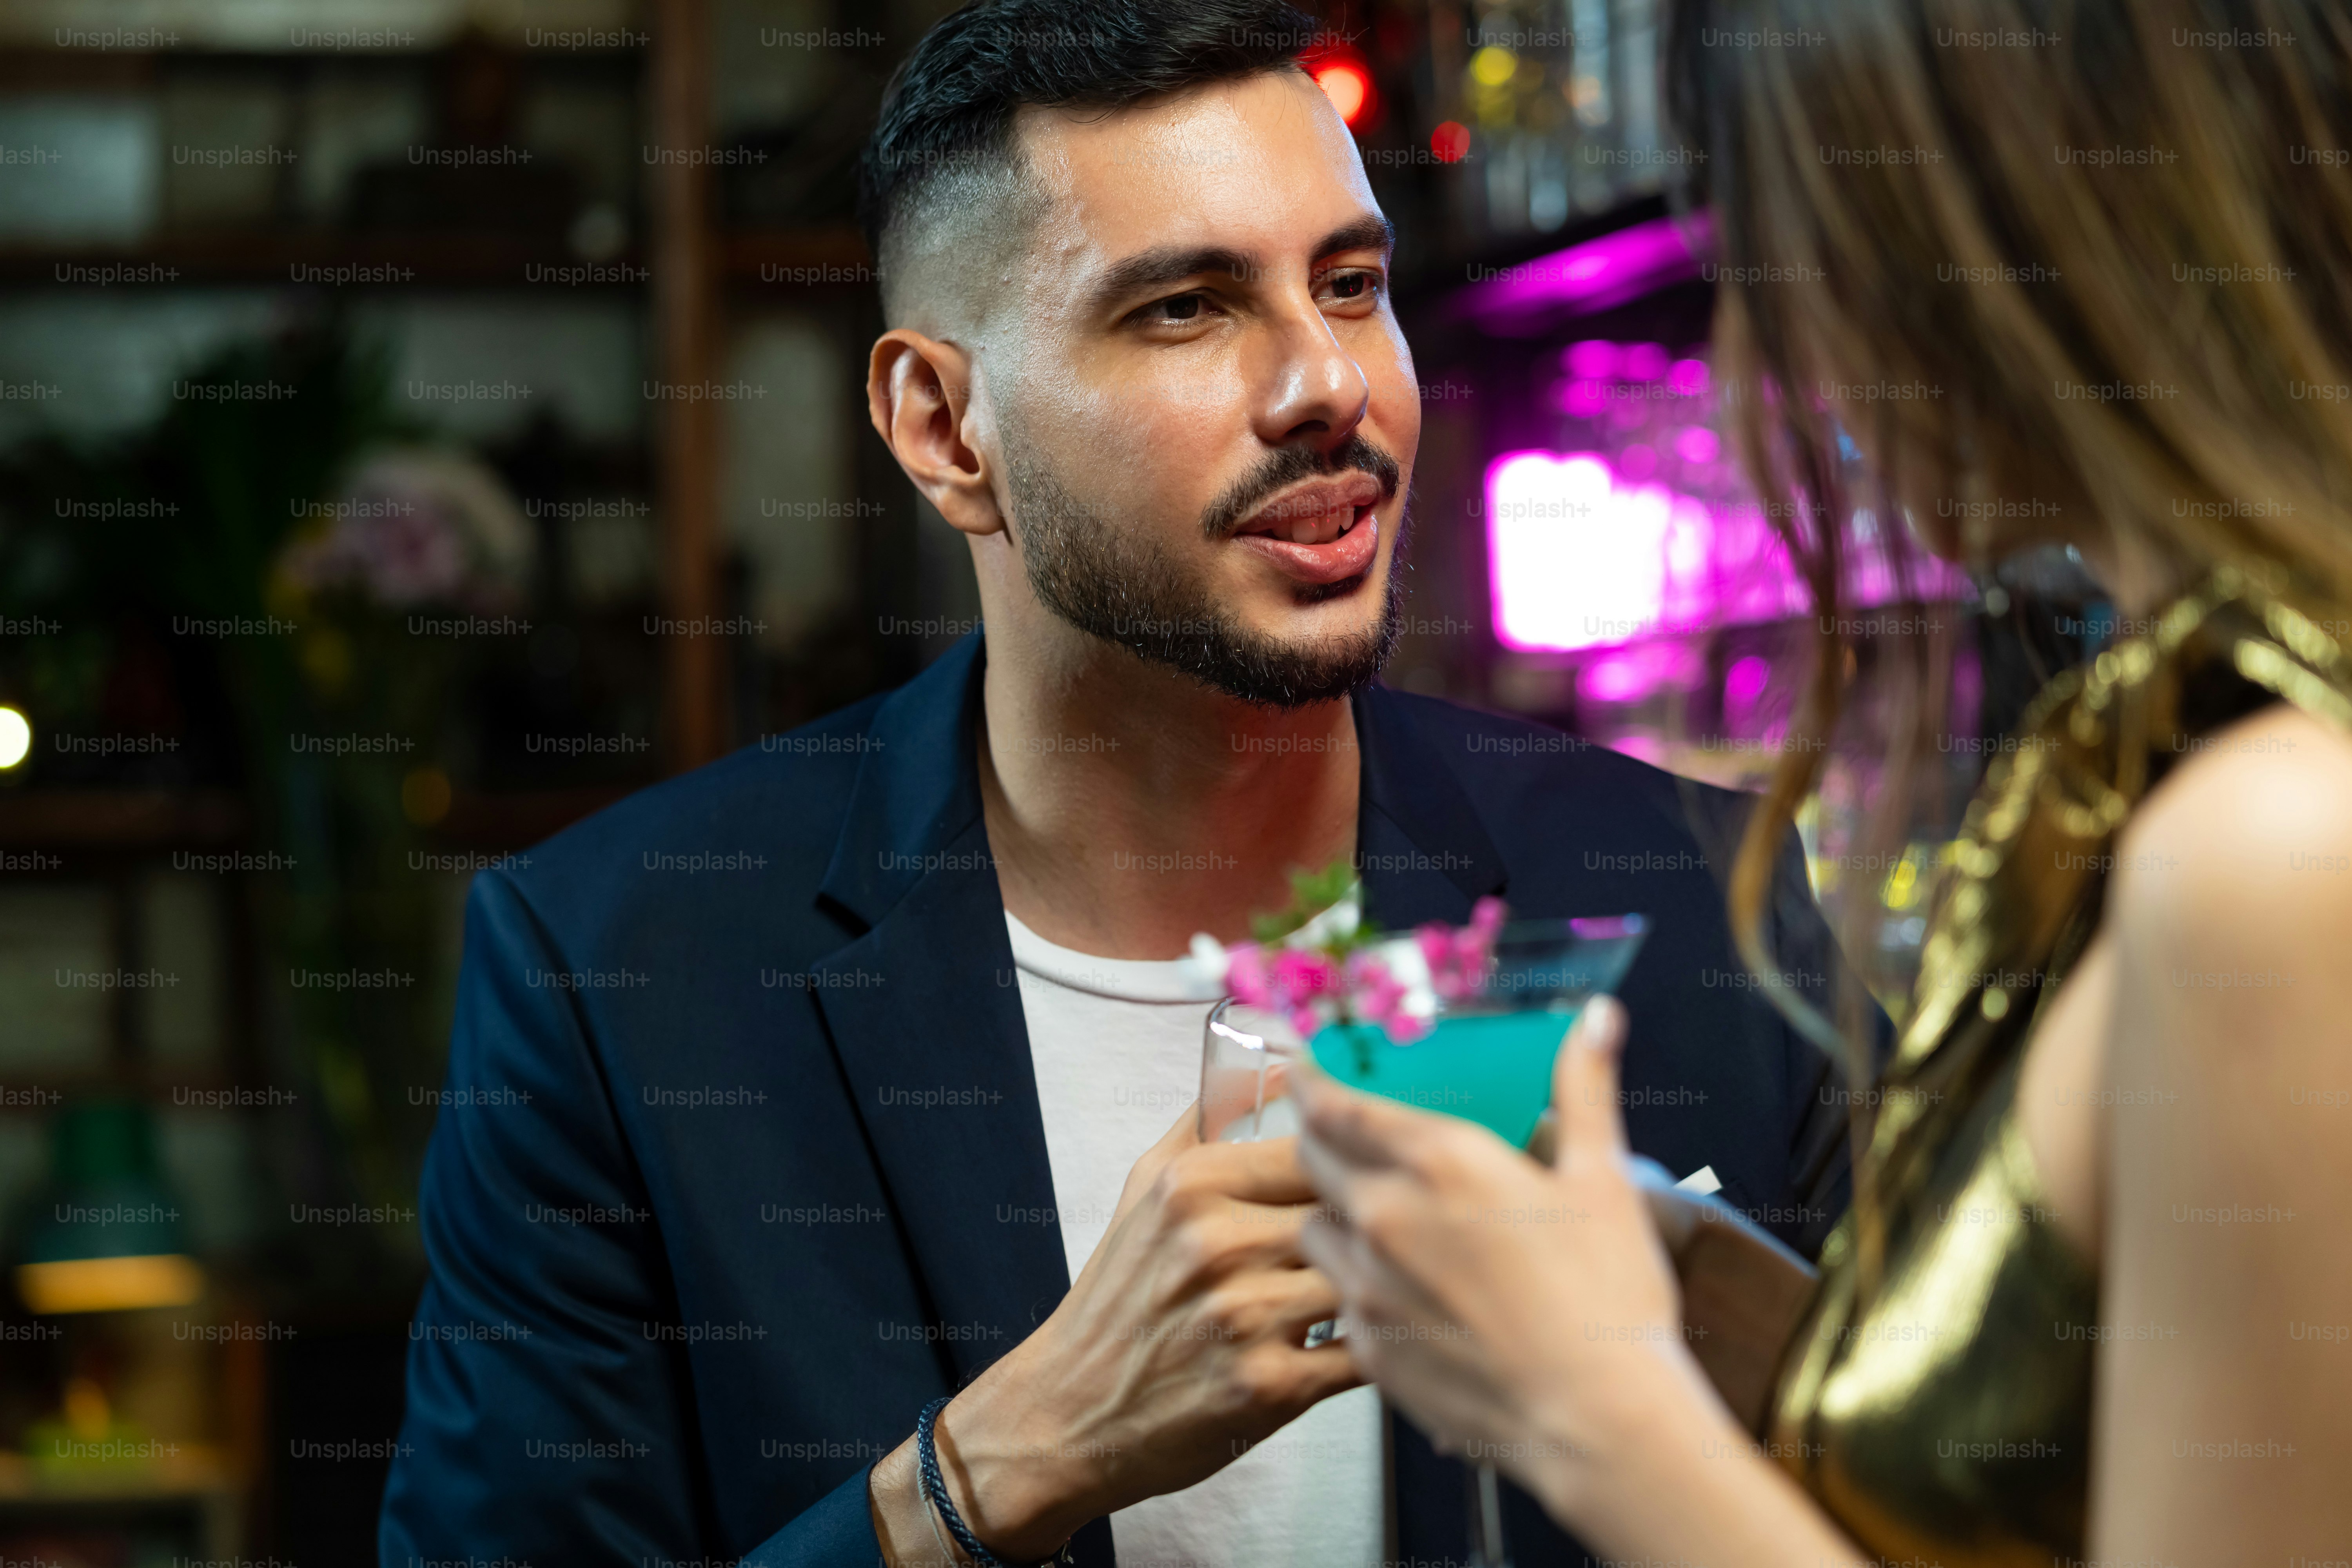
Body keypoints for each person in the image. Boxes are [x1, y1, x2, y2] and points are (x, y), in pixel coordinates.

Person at [377, 3, 1877, 1565]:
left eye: (1351, 286)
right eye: (1184, 310)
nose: (1324, 384)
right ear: (944, 428)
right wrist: (998, 1465)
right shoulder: (621, 980)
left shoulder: (1698, 885)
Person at [1289, 2, 2352, 1564]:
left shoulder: (2271, 844)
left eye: (1780, 258)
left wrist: (1578, 1398)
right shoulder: (2167, 747)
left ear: (1994, 230)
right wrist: (1690, 1283)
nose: (1751, 361)